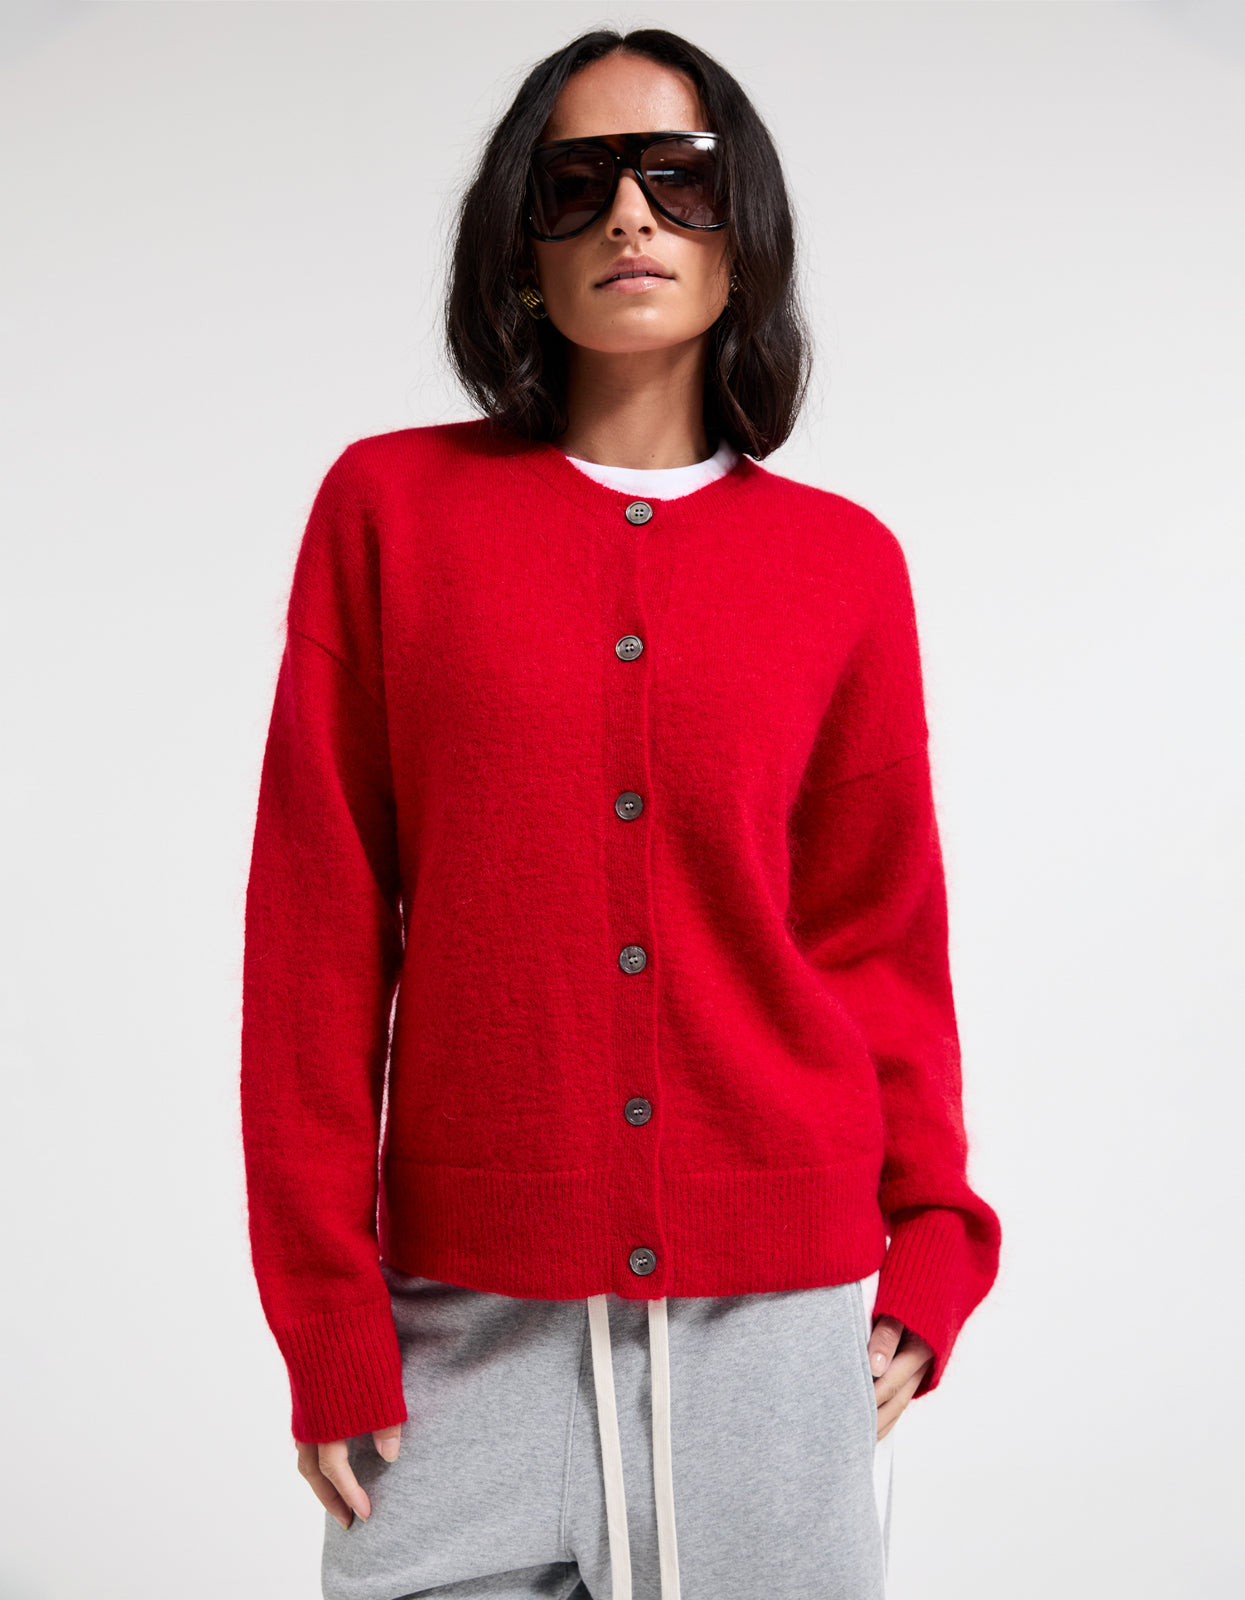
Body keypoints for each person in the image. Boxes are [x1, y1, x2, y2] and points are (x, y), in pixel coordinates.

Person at [239, 25, 1003, 1600]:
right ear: (519, 247)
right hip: (458, 1329)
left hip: (771, 1330)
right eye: (576, 184)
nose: (631, 216)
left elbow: (878, 938)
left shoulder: (841, 566)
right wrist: (326, 1316)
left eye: (680, 179)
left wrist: (930, 1243)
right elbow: (315, 939)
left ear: (743, 237)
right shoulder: (389, 513)